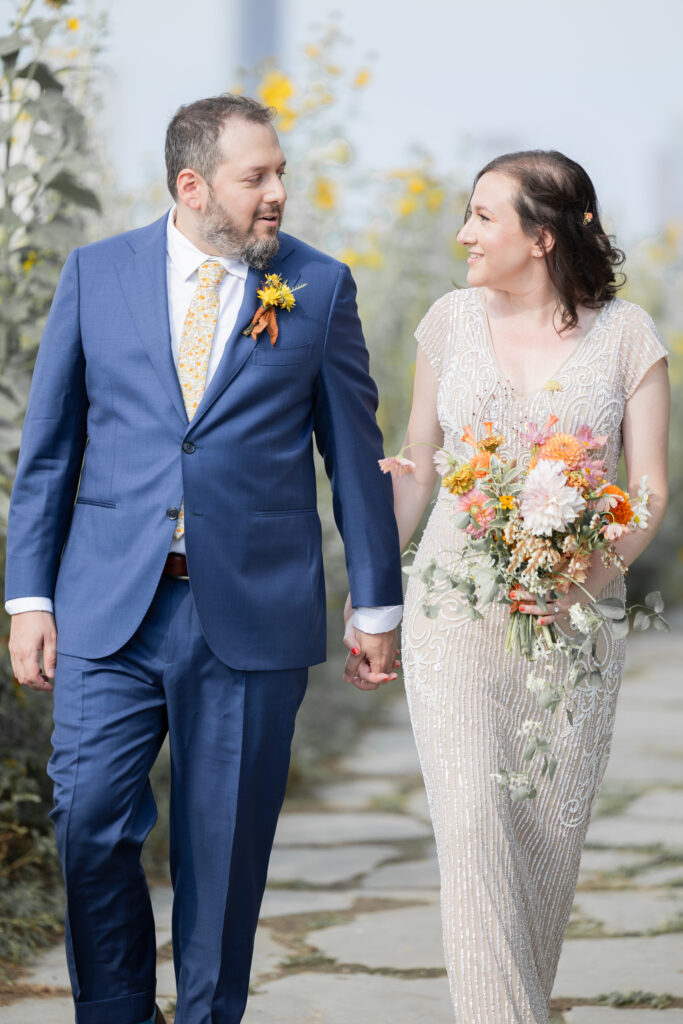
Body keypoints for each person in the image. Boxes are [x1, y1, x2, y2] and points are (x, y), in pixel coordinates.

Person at [5, 94, 403, 1024]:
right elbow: (51, 448)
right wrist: (30, 596)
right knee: (89, 822)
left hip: (249, 615)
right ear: (192, 186)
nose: (277, 193)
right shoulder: (95, 275)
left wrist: (375, 607)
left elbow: (352, 456)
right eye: (254, 177)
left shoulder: (318, 286)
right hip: (108, 606)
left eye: (280, 174)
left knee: (222, 852)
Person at [345, 151, 670, 1022]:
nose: (463, 233)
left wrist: (581, 580)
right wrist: (369, 577)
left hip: (572, 629)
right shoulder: (448, 322)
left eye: (482, 217)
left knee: (544, 844)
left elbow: (647, 491)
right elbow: (418, 467)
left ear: (541, 235)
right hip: (450, 613)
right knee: (475, 836)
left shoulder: (628, 336)